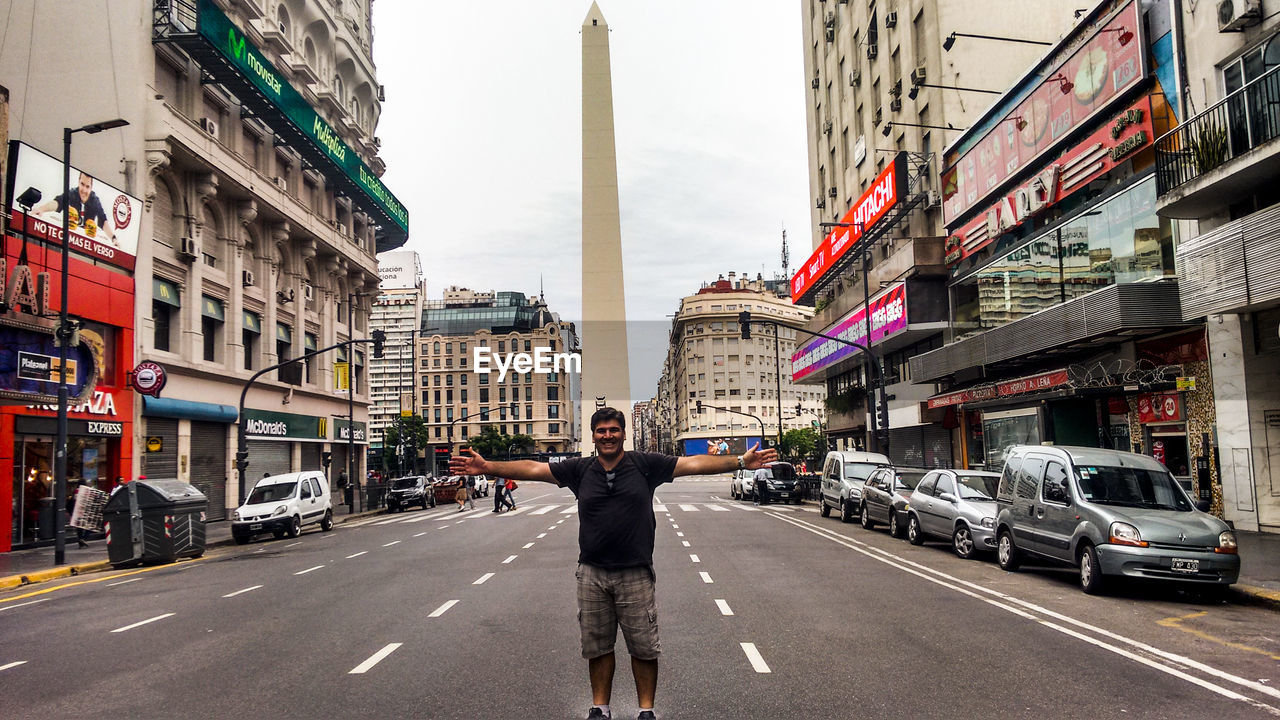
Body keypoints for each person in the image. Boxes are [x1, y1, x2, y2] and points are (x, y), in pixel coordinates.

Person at [450, 406, 776, 720]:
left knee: (644, 648)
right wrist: (488, 466)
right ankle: (600, 708)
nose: (608, 435)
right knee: (597, 647)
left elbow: (692, 464)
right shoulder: (580, 470)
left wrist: (740, 461)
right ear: (593, 436)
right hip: (591, 573)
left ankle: (646, 710)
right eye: (602, 431)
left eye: (614, 430)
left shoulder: (645, 464)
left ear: (623, 434)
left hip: (635, 572)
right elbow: (533, 469)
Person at [33, 171, 116, 244]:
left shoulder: (95, 200)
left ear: (91, 188)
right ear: (78, 182)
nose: (84, 190)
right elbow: (57, 203)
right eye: (82, 184)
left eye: (87, 187)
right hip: (68, 239)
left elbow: (103, 221)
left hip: (86, 241)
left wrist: (113, 239)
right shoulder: (72, 193)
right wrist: (41, 209)